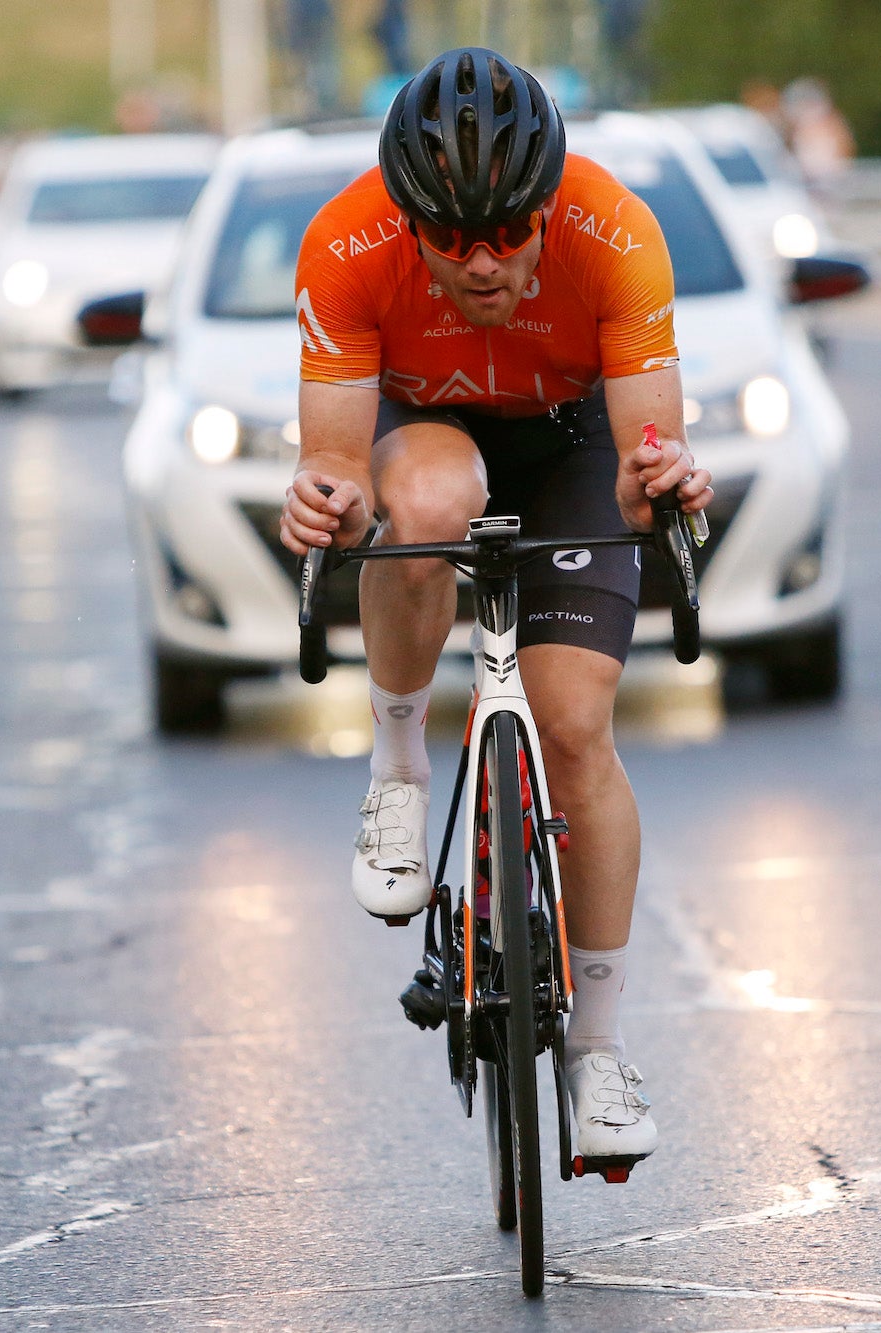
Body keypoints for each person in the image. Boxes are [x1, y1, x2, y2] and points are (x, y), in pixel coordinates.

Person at [281, 48, 712, 1168]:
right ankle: (397, 770)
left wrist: (662, 481)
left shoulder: (614, 232)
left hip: (570, 444)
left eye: (509, 232)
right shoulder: (345, 242)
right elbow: (341, 467)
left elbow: (644, 457)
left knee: (573, 728)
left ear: (547, 208)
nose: (482, 261)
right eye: (450, 236)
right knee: (429, 498)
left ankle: (599, 1050)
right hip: (425, 435)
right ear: (407, 221)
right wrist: (326, 501)